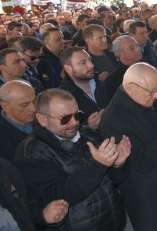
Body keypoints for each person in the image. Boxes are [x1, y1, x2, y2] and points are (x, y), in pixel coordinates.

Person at [15, 88, 130, 230]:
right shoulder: (32, 152)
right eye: (65, 118)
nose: (74, 123)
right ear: (42, 119)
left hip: (112, 222)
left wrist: (118, 164)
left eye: (77, 115)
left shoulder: (87, 133)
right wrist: (99, 165)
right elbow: (58, 196)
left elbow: (114, 180)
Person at [98, 63, 157, 230]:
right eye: (152, 91)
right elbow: (140, 163)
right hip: (153, 203)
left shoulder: (144, 100)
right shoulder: (113, 120)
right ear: (131, 88)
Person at [0, 80, 36, 161]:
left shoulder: (42, 119)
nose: (33, 109)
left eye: (34, 102)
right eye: (24, 105)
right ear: (5, 106)